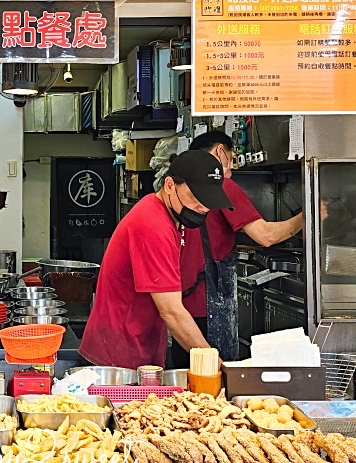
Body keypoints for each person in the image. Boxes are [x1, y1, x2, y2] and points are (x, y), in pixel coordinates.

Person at [168, 131, 322, 369]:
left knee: (191, 383)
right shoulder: (221, 184)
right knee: (214, 382)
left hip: (184, 307)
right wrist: (310, 215)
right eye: (230, 159)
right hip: (209, 308)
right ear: (220, 151)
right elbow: (266, 236)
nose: (231, 170)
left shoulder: (183, 188)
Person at [78, 150, 234, 369]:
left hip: (139, 344)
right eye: (196, 198)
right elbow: (172, 311)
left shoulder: (172, 216)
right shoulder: (153, 225)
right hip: (117, 355)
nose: (203, 208)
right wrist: (214, 364)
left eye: (208, 201)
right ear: (169, 185)